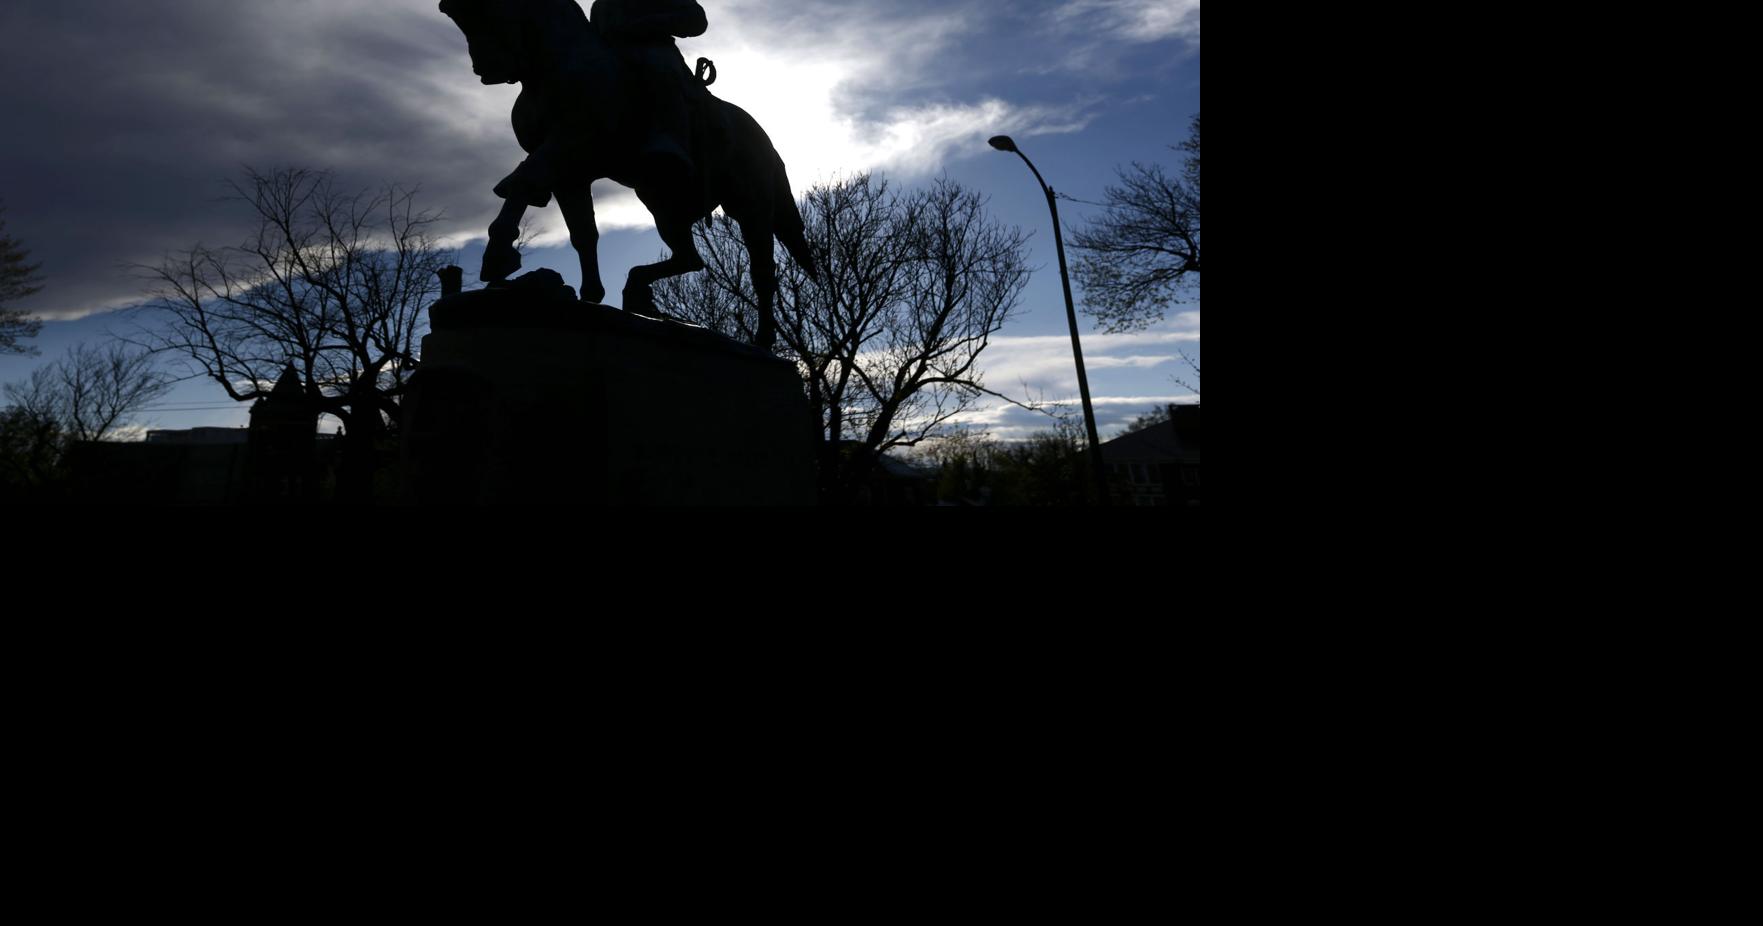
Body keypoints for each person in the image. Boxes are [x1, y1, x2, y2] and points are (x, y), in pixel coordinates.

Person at [589, 0, 709, 179]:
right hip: (612, 61)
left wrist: (652, 23)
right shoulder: (602, 5)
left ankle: (672, 143)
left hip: (654, 51)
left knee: (660, 68)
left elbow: (697, 19)